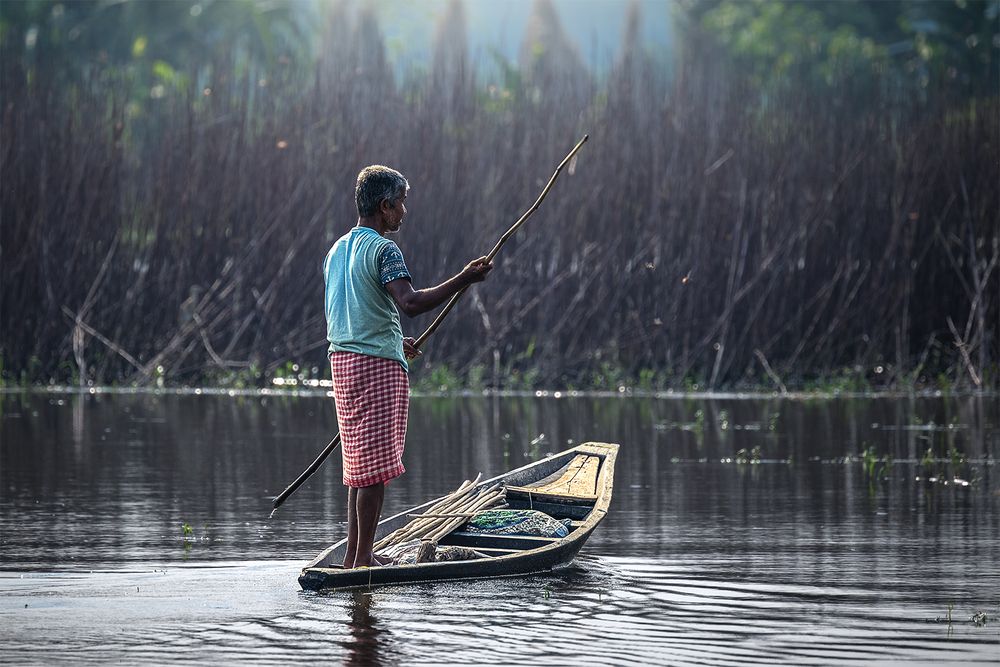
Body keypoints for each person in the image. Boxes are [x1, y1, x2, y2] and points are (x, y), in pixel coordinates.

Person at [324, 165, 492, 568]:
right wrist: (463, 280)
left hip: (343, 362)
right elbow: (411, 303)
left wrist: (393, 340)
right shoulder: (384, 250)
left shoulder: (337, 250)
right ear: (384, 207)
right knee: (376, 468)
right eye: (400, 204)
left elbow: (352, 312)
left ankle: (354, 555)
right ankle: (363, 559)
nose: (403, 212)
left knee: (359, 466)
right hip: (376, 367)